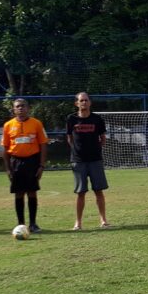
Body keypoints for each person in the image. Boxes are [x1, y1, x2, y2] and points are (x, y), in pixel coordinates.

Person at [1, 98, 48, 233]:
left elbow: (43, 145)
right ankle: (21, 224)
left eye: (23, 106)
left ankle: (33, 223)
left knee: (32, 192)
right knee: (19, 193)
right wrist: (8, 169)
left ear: (28, 108)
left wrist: (41, 165)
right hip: (15, 162)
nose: (20, 108)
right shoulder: (8, 125)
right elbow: (5, 149)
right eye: (18, 106)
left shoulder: (36, 124)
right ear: (14, 110)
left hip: (32, 161)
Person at [66, 92, 109, 230]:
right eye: (81, 100)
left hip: (95, 160)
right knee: (80, 192)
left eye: (86, 100)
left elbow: (103, 138)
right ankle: (78, 222)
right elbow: (69, 139)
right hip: (78, 161)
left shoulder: (97, 119)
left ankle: (103, 220)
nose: (84, 102)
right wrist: (77, 151)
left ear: (90, 102)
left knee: (99, 191)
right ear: (76, 103)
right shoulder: (71, 119)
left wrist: (94, 149)